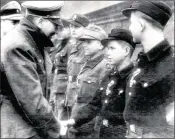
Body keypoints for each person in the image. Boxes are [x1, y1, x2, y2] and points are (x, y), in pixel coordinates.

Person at [1, 1, 64, 138]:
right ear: (40, 21)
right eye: (55, 24)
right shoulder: (19, 45)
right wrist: (56, 130)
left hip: (30, 126)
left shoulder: (32, 41)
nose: (57, 30)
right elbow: (31, 100)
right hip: (19, 130)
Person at [63, 28, 136, 138]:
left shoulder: (133, 78)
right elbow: (94, 104)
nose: (107, 52)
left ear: (126, 51)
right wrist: (73, 120)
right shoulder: (111, 74)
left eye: (112, 48)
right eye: (107, 48)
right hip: (103, 132)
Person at [122, 1, 174, 138]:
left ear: (141, 25)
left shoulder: (171, 64)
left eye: (132, 23)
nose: (130, 27)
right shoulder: (143, 61)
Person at [66, 24, 109, 138]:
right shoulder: (89, 63)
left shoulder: (105, 67)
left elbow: (102, 102)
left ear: (101, 45)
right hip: (78, 119)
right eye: (83, 42)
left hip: (90, 125)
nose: (84, 45)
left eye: (89, 42)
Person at [64, 14, 90, 119]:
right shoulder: (74, 46)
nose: (73, 29)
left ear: (86, 28)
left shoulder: (87, 48)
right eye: (71, 26)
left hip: (80, 93)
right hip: (70, 90)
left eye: (77, 27)